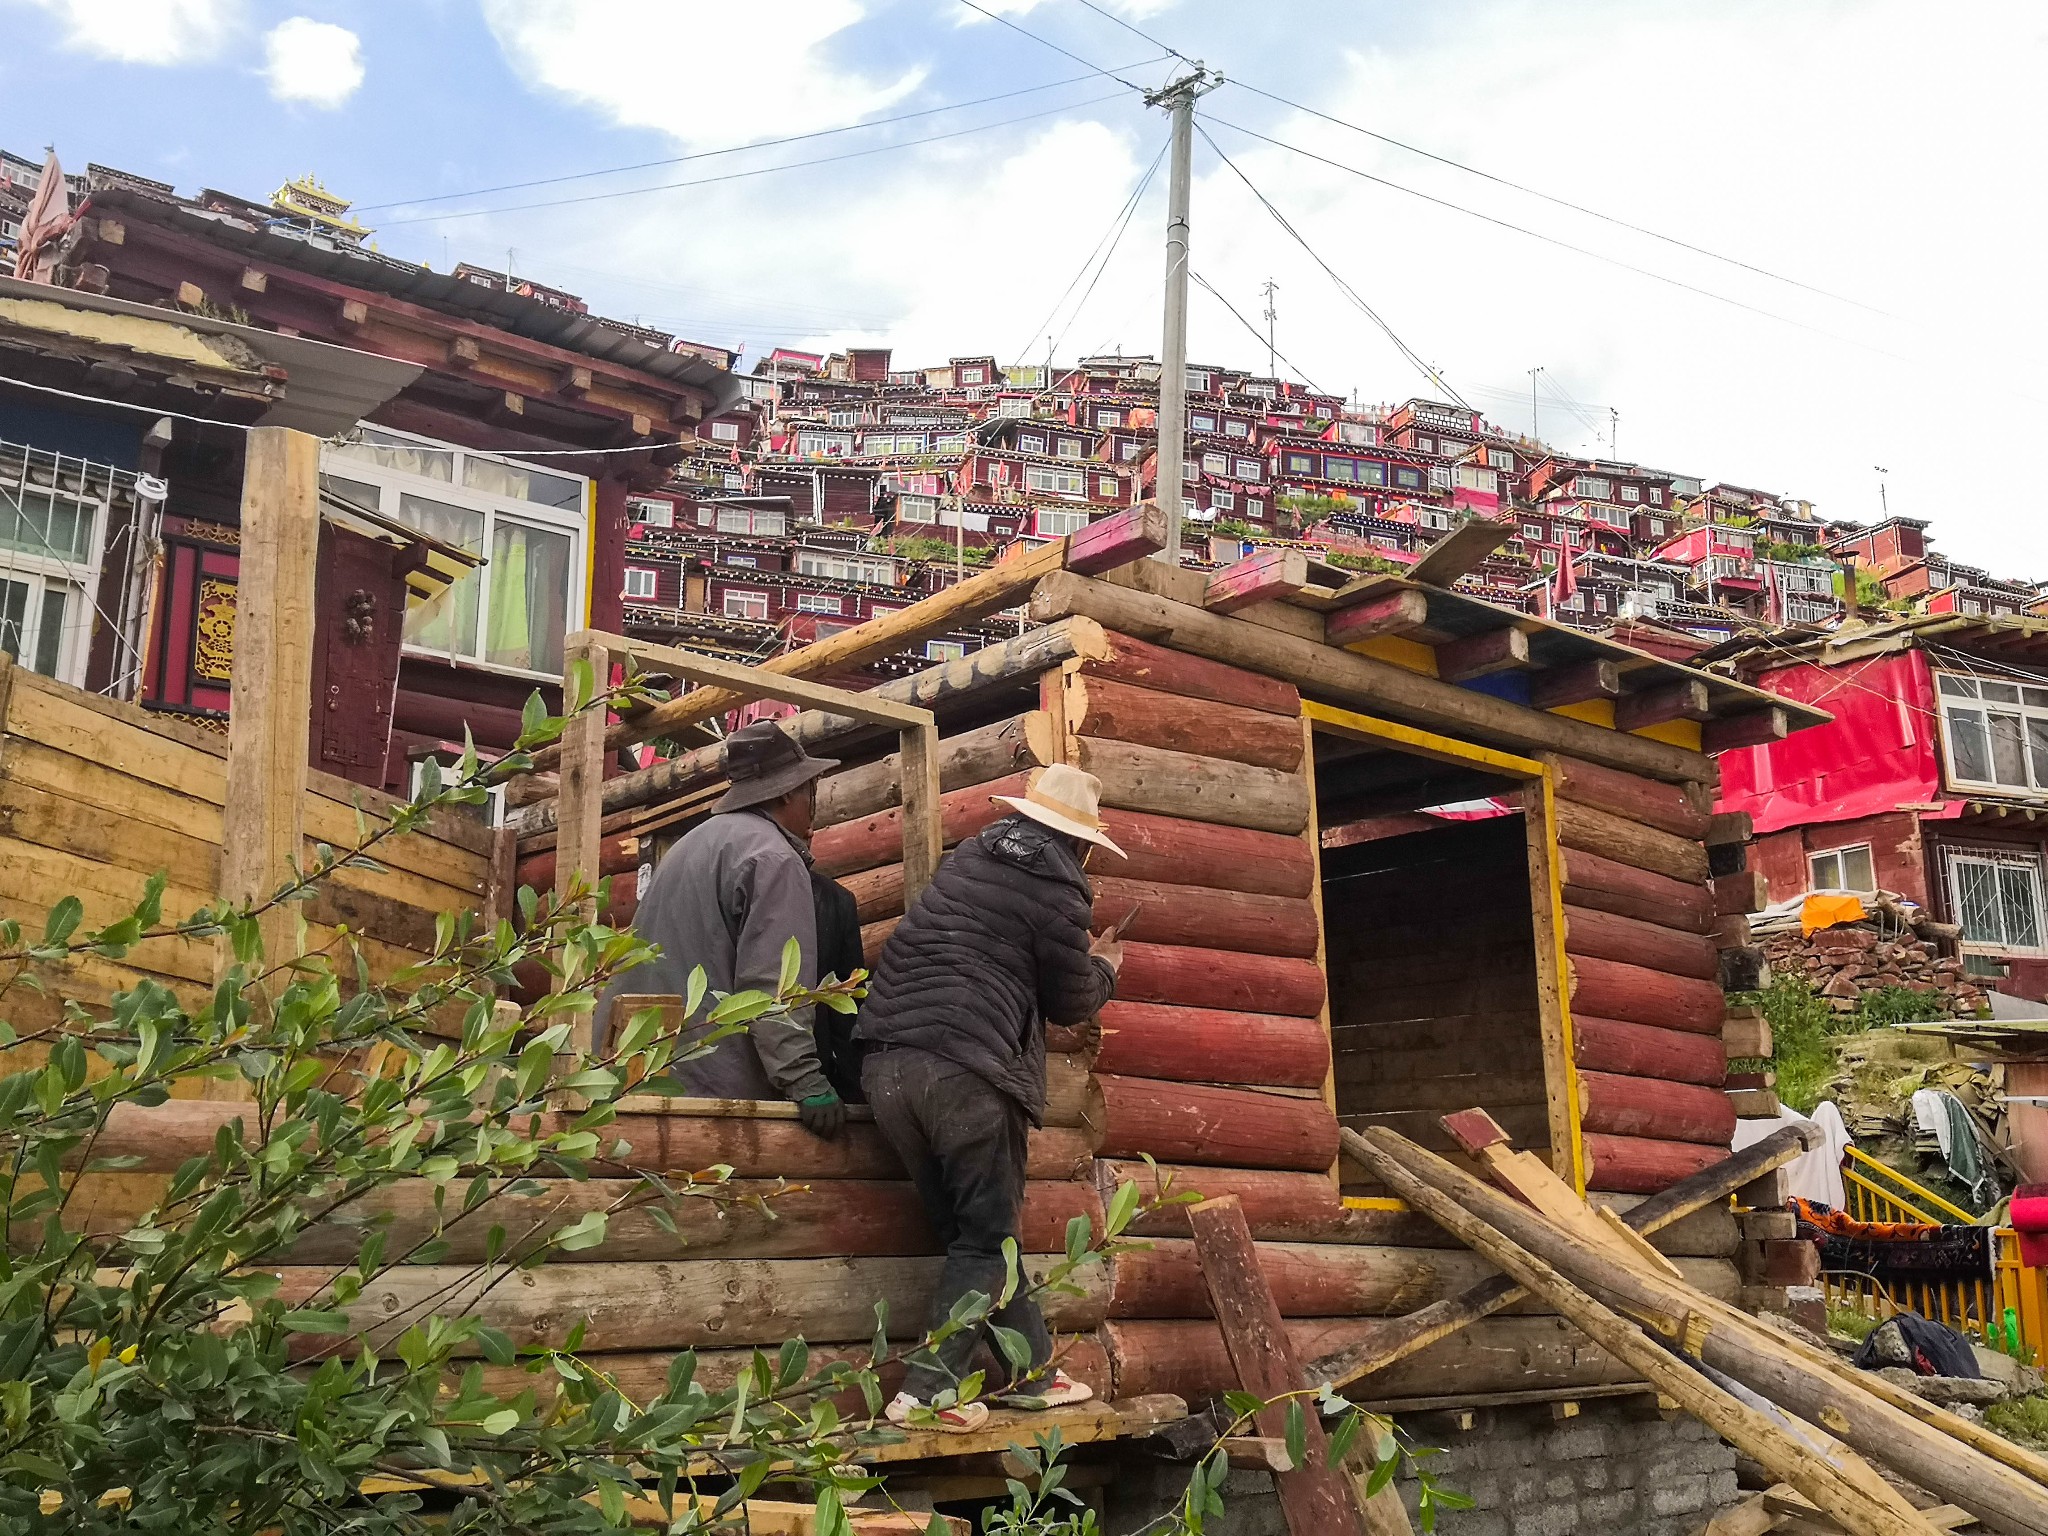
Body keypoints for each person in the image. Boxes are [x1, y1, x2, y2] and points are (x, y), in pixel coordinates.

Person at [857, 763, 1126, 1431]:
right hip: (966, 1074)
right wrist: (1106, 969)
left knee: (976, 1236)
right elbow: (1070, 1003)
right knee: (983, 1238)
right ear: (1081, 843)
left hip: (886, 1067)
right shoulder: (1061, 889)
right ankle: (928, 1392)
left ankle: (1034, 1374)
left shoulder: (972, 855)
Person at [604, 720, 847, 1138]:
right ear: (788, 791)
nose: (814, 800)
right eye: (811, 788)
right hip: (712, 1093)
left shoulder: (692, 844)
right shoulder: (773, 858)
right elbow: (773, 984)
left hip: (644, 1073)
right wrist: (806, 1082)